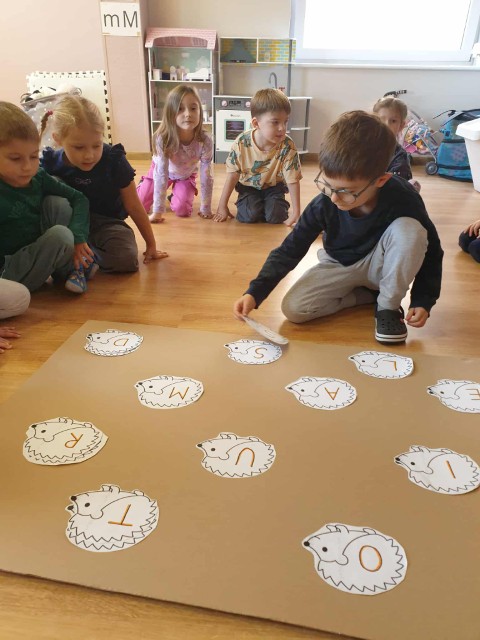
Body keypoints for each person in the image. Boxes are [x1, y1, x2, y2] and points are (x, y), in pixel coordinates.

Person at [233, 111, 443, 345]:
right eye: (328, 185)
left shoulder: (404, 197)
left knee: (410, 231)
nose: (334, 198)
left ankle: (387, 306)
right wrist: (255, 292)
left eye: (346, 191)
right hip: (340, 263)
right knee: (294, 308)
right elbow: (290, 249)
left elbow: (433, 250)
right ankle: (365, 296)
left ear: (380, 180)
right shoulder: (324, 202)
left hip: (381, 266)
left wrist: (423, 299)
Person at [41, 96, 167, 283]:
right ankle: (74, 259)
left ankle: (85, 261)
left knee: (126, 259)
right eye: (79, 147)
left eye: (96, 145)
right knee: (52, 194)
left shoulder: (113, 160)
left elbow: (133, 205)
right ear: (58, 140)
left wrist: (151, 244)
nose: (89, 155)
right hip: (69, 222)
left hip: (106, 222)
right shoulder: (51, 163)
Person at [0, 101, 92, 296]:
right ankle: (73, 266)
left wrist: (78, 237)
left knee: (57, 202)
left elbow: (79, 198)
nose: (27, 167)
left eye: (34, 156)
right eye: (15, 159)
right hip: (7, 270)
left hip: (34, 251)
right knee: (61, 235)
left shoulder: (38, 176)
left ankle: (72, 267)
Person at [214, 88, 302, 226]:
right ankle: (255, 203)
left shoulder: (287, 145)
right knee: (249, 215)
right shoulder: (241, 142)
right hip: (248, 186)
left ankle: (268, 204)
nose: (282, 128)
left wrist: (296, 213)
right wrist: (222, 206)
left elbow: (292, 180)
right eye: (275, 122)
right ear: (256, 124)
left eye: (285, 121)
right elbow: (232, 176)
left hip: (274, 187)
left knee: (276, 216)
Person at [137, 85, 213, 222]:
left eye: (193, 108)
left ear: (200, 112)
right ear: (171, 113)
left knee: (182, 210)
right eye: (180, 109)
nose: (188, 114)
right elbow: (161, 173)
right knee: (140, 204)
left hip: (185, 175)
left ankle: (174, 195)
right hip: (160, 171)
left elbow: (206, 175)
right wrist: (158, 211)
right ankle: (144, 184)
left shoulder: (205, 140)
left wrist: (205, 207)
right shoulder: (163, 138)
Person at [373, 96, 421, 192]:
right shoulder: (363, 146)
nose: (386, 125)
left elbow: (395, 187)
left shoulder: (400, 155)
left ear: (401, 125)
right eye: (381, 119)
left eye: (393, 121)